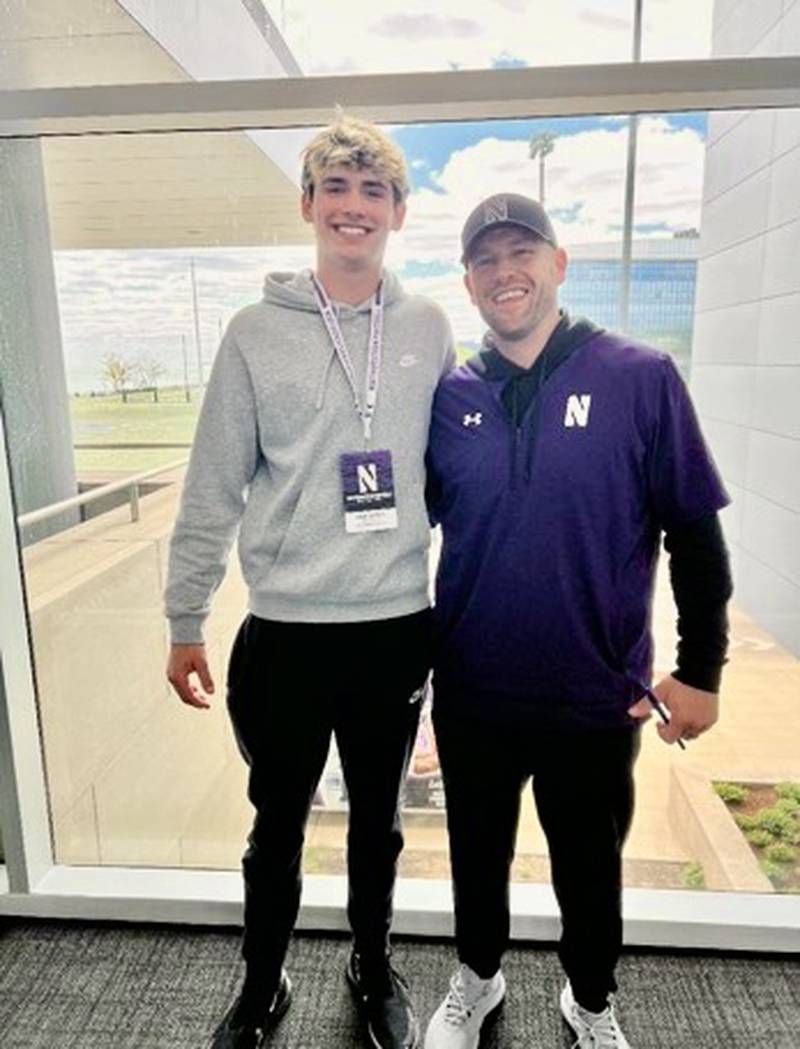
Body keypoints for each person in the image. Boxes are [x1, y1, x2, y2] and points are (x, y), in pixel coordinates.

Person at [165, 116, 453, 1049]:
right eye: (337, 189)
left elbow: (456, 475)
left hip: (393, 626)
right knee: (275, 825)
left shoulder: (427, 326)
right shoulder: (254, 333)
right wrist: (185, 616)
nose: (354, 208)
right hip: (284, 632)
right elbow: (211, 485)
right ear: (309, 206)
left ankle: (371, 967)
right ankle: (262, 981)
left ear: (398, 213)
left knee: (379, 824)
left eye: (373, 192)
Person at [423, 193, 732, 1049]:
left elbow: (693, 529)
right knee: (474, 860)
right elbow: (410, 537)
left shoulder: (639, 375)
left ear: (559, 264)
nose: (504, 272)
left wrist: (701, 668)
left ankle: (589, 1001)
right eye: (485, 260)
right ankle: (477, 979)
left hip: (593, 698)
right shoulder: (448, 396)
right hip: (475, 695)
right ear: (468, 281)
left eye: (522, 252)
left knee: (589, 874)